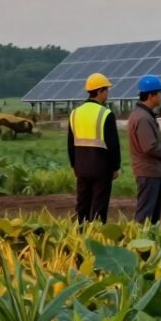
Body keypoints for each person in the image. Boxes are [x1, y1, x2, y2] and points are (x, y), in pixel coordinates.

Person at [67, 73, 122, 223]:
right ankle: (96, 237)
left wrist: (74, 165)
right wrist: (115, 167)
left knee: (82, 206)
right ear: (99, 91)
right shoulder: (105, 114)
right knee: (99, 208)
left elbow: (70, 143)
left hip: (81, 168)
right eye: (106, 90)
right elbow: (113, 145)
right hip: (101, 168)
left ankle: (80, 235)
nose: (107, 94)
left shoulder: (75, 113)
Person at [127, 75, 161, 224]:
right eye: (159, 93)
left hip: (151, 171)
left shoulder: (142, 115)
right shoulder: (143, 118)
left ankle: (148, 244)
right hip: (148, 172)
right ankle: (139, 244)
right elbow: (149, 147)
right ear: (151, 95)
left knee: (152, 216)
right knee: (146, 215)